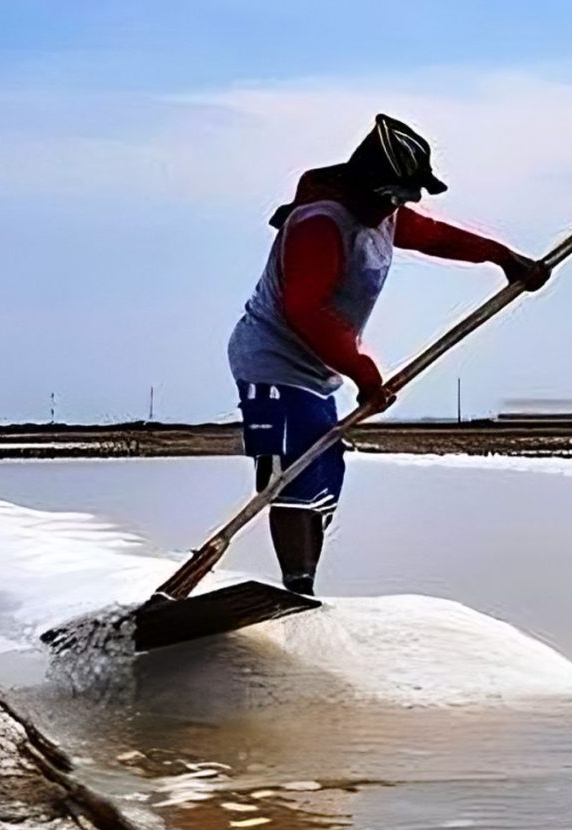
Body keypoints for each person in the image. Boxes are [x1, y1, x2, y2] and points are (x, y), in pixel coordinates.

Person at [226, 114, 549, 594]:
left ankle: (302, 589)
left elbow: (439, 236)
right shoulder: (320, 222)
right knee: (291, 473)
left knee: (324, 474)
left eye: (407, 197)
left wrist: (504, 257)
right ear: (369, 184)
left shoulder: (383, 216)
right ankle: (297, 588)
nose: (403, 205)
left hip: (318, 371)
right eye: (398, 194)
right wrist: (365, 372)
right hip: (271, 362)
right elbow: (304, 308)